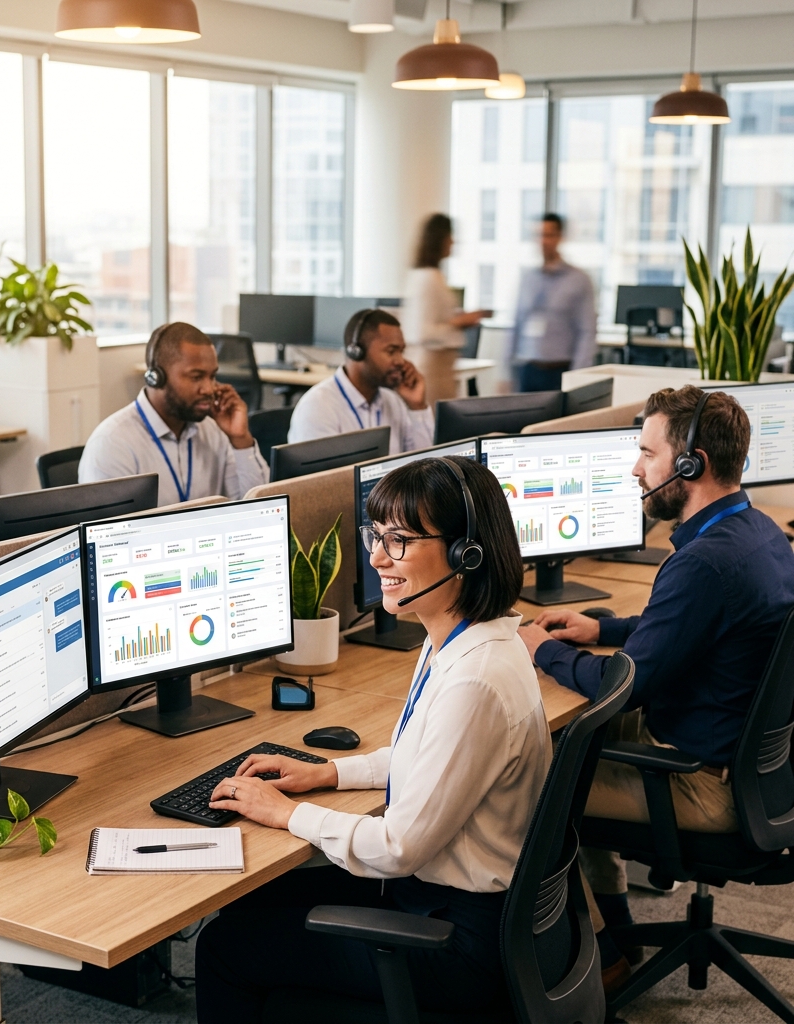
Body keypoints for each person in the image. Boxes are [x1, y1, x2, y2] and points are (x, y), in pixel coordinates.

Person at [196, 456, 551, 1020]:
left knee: (224, 948)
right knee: (255, 903)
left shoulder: (475, 680)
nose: (377, 557)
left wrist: (287, 813)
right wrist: (327, 773)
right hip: (449, 903)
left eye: (399, 541)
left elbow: (398, 846)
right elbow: (429, 756)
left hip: (454, 942)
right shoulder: (464, 638)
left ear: (466, 553)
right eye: (376, 535)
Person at [518, 385, 794, 969]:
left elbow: (622, 688)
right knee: (578, 745)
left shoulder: (702, 562)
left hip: (704, 786)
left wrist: (542, 650)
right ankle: (618, 931)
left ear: (692, 464)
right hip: (758, 776)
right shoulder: (760, 534)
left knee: (530, 788)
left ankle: (592, 962)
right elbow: (697, 623)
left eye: (647, 453)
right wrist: (603, 628)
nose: (636, 469)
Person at [78, 322, 268, 505]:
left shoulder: (214, 431)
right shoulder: (113, 444)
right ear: (156, 378)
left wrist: (240, 439)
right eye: (196, 377)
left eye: (212, 376)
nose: (209, 389)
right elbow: (110, 526)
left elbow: (257, 508)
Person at [287, 309, 434, 455]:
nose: (400, 361)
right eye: (391, 351)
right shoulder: (318, 408)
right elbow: (321, 471)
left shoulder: (394, 401)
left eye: (401, 351)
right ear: (357, 352)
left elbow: (425, 463)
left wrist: (417, 407)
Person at [506, 213, 596, 392]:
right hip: (528, 369)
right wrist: (507, 372)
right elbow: (516, 325)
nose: (543, 241)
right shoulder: (528, 278)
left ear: (560, 237)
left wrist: (578, 377)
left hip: (560, 370)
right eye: (539, 235)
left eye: (549, 235)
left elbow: (587, 331)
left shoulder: (579, 279)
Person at [402, 213, 491, 348]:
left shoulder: (433, 275)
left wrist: (459, 319)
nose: (453, 242)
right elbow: (421, 331)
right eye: (450, 236)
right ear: (440, 240)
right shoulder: (428, 278)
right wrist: (460, 322)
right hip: (432, 354)